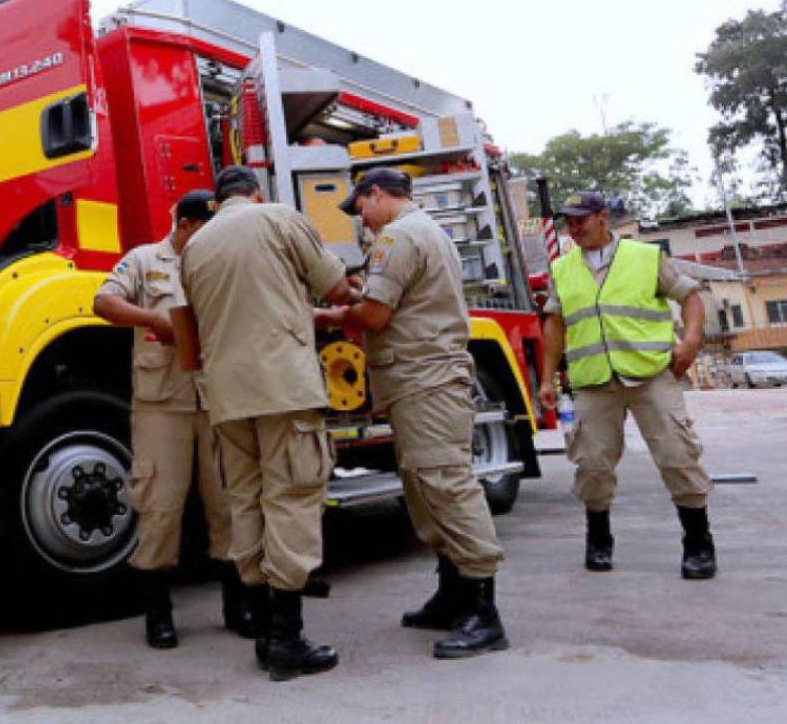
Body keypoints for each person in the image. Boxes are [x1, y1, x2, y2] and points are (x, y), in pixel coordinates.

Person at [180, 166, 357, 681]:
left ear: (217, 202)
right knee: (293, 497)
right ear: (255, 193)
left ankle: (260, 624)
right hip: (282, 386)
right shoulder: (279, 217)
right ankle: (286, 635)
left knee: (248, 500)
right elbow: (335, 286)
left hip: (227, 395)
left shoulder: (196, 245)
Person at [331, 167, 509, 659]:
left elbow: (373, 316)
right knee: (426, 487)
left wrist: (326, 315)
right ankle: (453, 595)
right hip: (421, 380)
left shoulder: (399, 236)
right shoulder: (424, 232)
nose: (361, 221)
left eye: (361, 208)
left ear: (379, 194)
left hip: (425, 379)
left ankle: (484, 612)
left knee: (447, 486)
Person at [93, 189, 253, 650]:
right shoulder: (146, 260)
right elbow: (104, 303)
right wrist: (157, 321)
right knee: (160, 505)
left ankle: (236, 602)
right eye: (204, 229)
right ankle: (158, 611)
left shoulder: (220, 261)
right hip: (162, 405)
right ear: (184, 225)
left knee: (227, 502)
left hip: (218, 399)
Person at [537, 191, 715, 579]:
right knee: (592, 464)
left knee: (676, 454)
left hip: (649, 374)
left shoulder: (646, 258)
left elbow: (691, 297)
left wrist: (690, 341)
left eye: (582, 219)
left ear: (603, 217)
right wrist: (547, 378)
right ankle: (598, 540)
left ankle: (698, 544)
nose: (574, 227)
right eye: (569, 220)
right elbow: (554, 323)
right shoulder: (562, 268)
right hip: (594, 382)